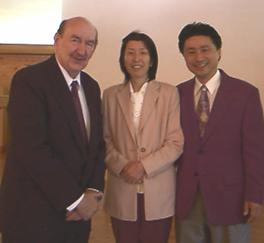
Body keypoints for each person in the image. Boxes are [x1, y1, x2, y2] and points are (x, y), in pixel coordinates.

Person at [0, 17, 105, 243]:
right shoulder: (29, 81)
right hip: (33, 215)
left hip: (77, 220)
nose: (82, 50)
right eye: (75, 40)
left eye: (90, 43)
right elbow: (32, 149)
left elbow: (97, 146)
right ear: (57, 40)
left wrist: (93, 192)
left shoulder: (92, 86)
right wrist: (77, 200)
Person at [175, 22, 264, 243]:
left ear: (219, 51)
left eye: (205, 49)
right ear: (184, 56)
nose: (198, 57)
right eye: (191, 52)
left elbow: (255, 150)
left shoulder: (245, 93)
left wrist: (255, 195)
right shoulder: (177, 94)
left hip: (231, 197)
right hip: (188, 196)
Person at [103, 31, 184, 243]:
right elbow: (105, 141)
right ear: (122, 58)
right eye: (130, 53)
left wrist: (143, 166)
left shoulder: (169, 93)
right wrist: (124, 166)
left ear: (152, 59)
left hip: (158, 188)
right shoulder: (110, 95)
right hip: (122, 186)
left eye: (143, 53)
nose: (136, 58)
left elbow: (175, 143)